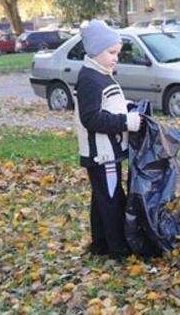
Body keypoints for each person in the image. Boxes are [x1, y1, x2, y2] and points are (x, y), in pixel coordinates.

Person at [74, 19, 142, 259]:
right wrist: (127, 122)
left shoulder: (102, 75)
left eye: (117, 53)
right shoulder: (91, 79)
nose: (115, 57)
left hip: (108, 151)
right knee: (112, 199)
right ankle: (117, 249)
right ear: (94, 51)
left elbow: (110, 104)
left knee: (101, 196)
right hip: (103, 153)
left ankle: (100, 243)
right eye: (111, 52)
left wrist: (128, 107)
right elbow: (91, 118)